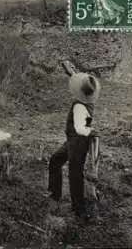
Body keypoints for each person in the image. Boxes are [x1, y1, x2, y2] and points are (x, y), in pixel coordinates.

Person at [47, 72, 100, 220]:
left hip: (77, 141)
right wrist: (90, 129)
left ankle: (79, 210)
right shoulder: (89, 104)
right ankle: (55, 195)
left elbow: (80, 129)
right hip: (74, 141)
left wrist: (89, 131)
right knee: (55, 160)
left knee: (75, 174)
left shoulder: (78, 106)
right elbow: (87, 123)